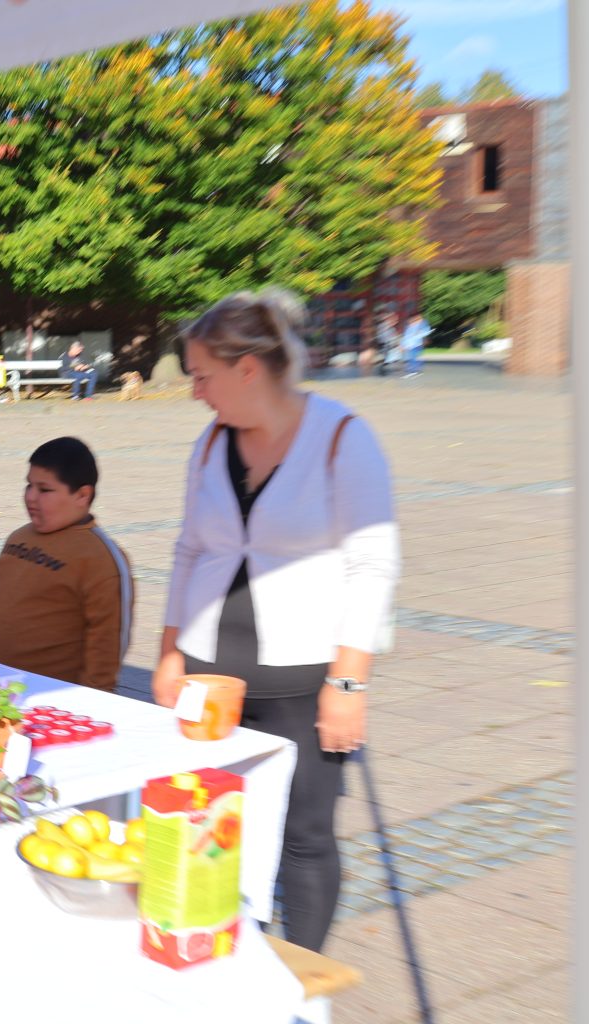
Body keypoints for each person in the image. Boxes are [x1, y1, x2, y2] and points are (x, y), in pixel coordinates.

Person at [155, 288, 399, 953]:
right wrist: (171, 653)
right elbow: (190, 548)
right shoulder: (211, 443)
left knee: (305, 834)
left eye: (202, 376)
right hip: (209, 675)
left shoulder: (342, 438)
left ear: (247, 370)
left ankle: (300, 977)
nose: (195, 392)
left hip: (301, 680)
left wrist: (349, 683)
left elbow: (373, 563)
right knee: (211, 822)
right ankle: (225, 957)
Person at [0, 437, 134, 690]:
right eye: (28, 485)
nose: (31, 497)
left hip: (44, 699)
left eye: (44, 490)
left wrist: (91, 700)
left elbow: (106, 644)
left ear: (82, 495)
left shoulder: (101, 558)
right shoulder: (19, 537)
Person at [401, 313, 430, 378]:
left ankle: (414, 369)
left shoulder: (420, 324)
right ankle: (413, 369)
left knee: (415, 357)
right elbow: (405, 337)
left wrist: (421, 320)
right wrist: (403, 345)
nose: (410, 321)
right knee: (412, 357)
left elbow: (426, 330)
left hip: (417, 344)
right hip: (411, 345)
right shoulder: (408, 327)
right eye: (409, 320)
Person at [374, 310, 401, 377]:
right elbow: (381, 336)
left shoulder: (391, 328)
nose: (395, 322)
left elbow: (394, 337)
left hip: (387, 344)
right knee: (385, 357)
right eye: (394, 320)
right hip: (383, 344)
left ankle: (383, 369)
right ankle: (381, 369)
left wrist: (396, 341)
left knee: (387, 357)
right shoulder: (383, 326)